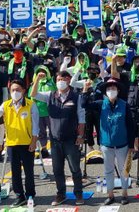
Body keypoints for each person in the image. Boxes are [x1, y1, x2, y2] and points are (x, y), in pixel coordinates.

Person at [30, 70, 85, 206]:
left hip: (71, 139)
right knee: (57, 169)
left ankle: (78, 194)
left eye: (63, 79)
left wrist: (80, 135)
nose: (60, 81)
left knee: (75, 168)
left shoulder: (76, 97)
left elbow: (82, 118)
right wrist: (37, 79)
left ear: (68, 80)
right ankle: (61, 194)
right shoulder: (50, 95)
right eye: (58, 79)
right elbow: (33, 94)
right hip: (54, 140)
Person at [83, 78, 134, 205]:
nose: (111, 91)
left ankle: (124, 194)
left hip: (122, 144)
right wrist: (85, 90)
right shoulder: (100, 104)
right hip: (106, 144)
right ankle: (110, 195)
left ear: (118, 90)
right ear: (105, 92)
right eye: (109, 89)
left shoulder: (124, 105)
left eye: (114, 88)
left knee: (124, 170)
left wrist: (132, 145)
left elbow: (131, 125)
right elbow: (84, 104)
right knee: (108, 170)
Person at [0, 80, 38, 207]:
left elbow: (36, 126)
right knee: (15, 172)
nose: (15, 92)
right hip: (12, 143)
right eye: (13, 90)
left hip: (27, 143)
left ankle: (30, 194)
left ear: (23, 91)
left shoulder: (31, 104)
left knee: (29, 171)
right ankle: (19, 196)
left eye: (18, 90)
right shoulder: (6, 105)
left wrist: (34, 141)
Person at [28, 65, 56, 159]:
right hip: (38, 112)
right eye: (39, 72)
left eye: (43, 71)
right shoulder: (34, 84)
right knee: (41, 133)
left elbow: (54, 94)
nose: (41, 73)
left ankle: (55, 149)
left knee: (53, 132)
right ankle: (44, 149)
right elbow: (31, 96)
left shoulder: (51, 83)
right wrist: (37, 80)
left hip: (49, 112)